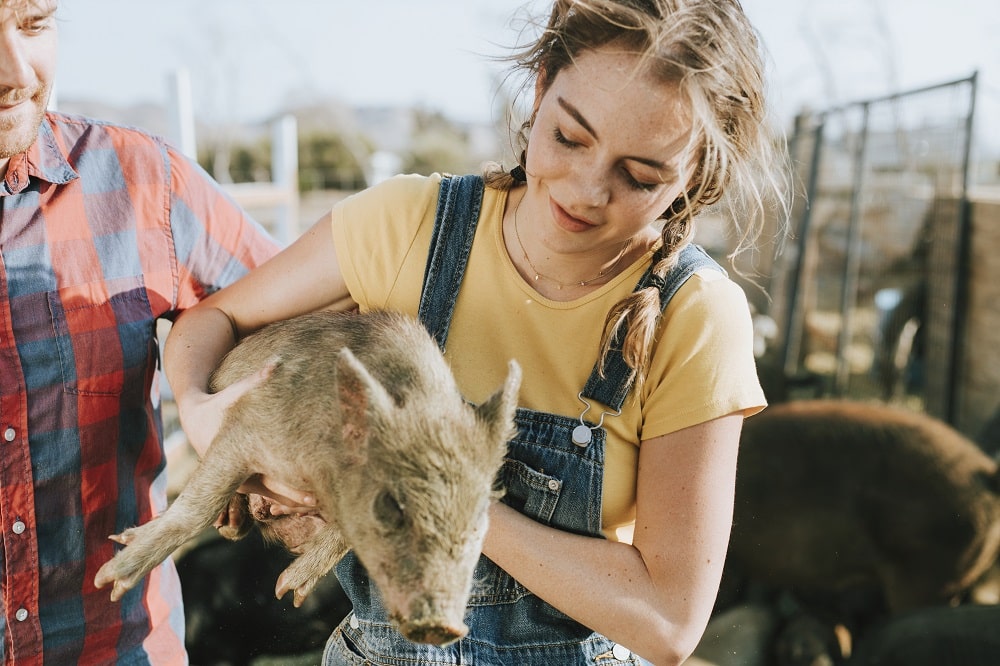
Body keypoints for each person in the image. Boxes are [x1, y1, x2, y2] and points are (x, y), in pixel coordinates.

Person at [165, 0, 790, 664]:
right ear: (542, 84)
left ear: (699, 176)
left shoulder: (694, 317)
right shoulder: (408, 227)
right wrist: (203, 414)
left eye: (638, 177)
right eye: (569, 138)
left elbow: (667, 622)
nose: (583, 190)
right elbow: (210, 322)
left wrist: (452, 501)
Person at [0, 0, 281, 662]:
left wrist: (222, 427)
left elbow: (315, 327)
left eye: (34, 25)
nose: (15, 71)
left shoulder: (144, 183)